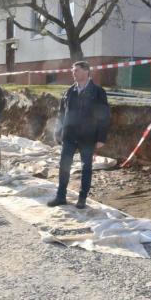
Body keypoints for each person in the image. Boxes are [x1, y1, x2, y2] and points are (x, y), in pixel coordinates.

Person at [48, 61, 110, 209]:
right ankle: (60, 196)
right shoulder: (69, 91)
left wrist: (101, 138)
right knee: (64, 166)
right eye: (73, 70)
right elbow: (62, 113)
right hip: (69, 135)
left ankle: (82, 198)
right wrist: (58, 131)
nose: (73, 73)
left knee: (86, 167)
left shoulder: (98, 92)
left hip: (88, 137)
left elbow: (104, 116)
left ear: (86, 71)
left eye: (76, 70)